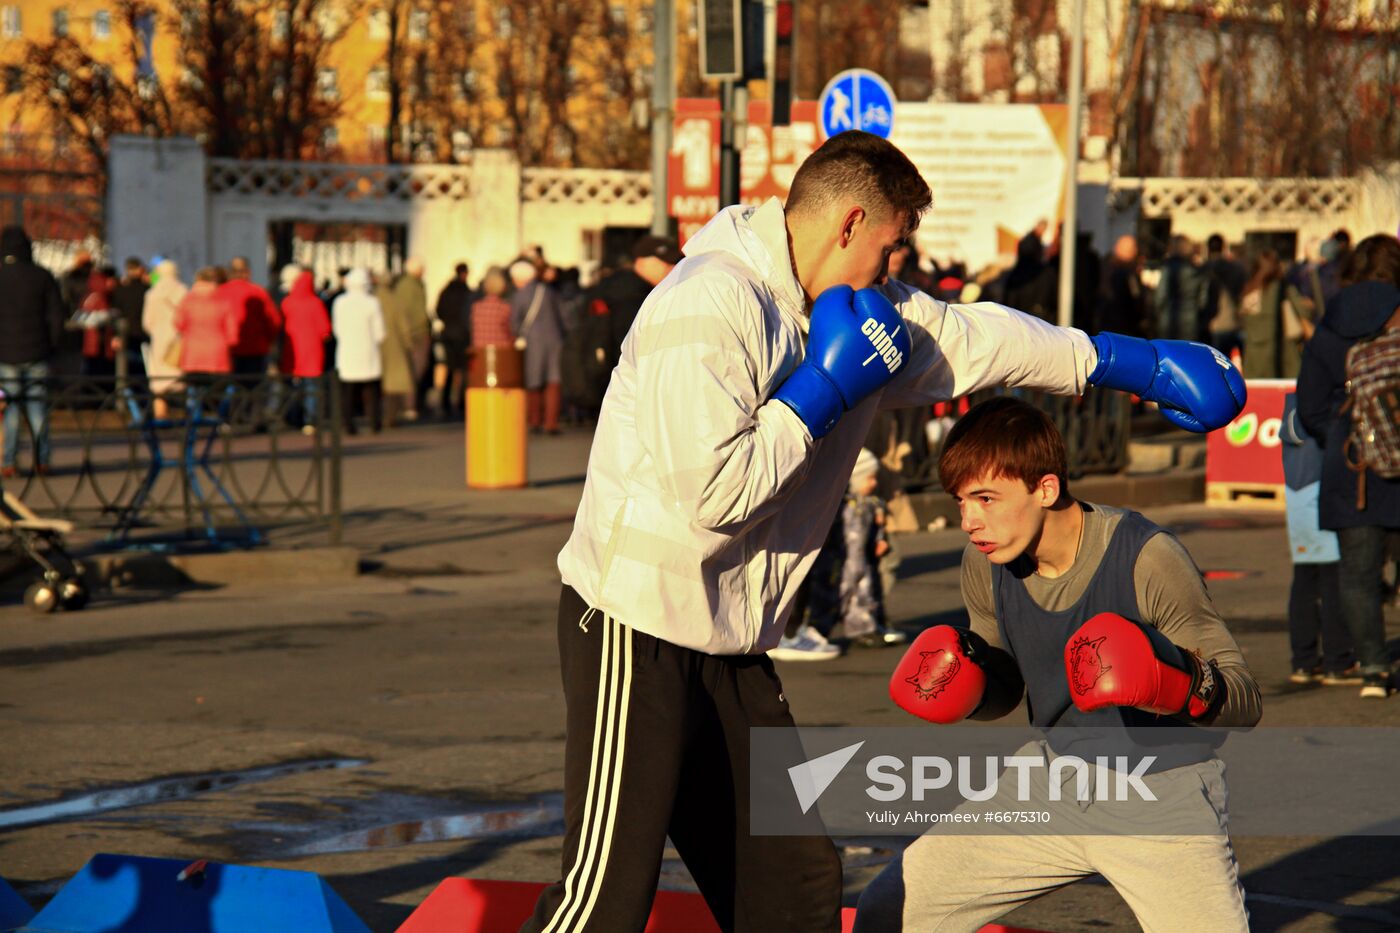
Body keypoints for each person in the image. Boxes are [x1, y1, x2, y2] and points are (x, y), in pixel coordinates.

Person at [524, 129, 1245, 933]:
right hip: (637, 626)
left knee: (793, 883)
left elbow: (975, 339)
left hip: (727, 645)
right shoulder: (711, 300)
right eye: (894, 246)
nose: (899, 266)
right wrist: (821, 388)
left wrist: (1120, 361)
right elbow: (711, 493)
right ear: (852, 224)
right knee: (602, 899)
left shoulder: (862, 312)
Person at [860, 396, 1262, 933]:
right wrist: (971, 683)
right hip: (1050, 780)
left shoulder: (1146, 555)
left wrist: (1177, 679)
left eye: (985, 498)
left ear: (1045, 488)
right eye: (961, 501)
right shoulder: (987, 562)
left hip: (1158, 793)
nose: (970, 521)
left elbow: (1244, 699)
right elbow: (1005, 692)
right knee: (890, 911)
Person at [1297, 233, 1400, 699]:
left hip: (1352, 464)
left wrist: (1343, 432)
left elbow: (1310, 405)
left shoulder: (1331, 322)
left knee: (1357, 575)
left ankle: (1374, 670)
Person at [1280, 393, 1357, 685]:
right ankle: (1338, 661)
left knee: (1305, 580)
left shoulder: (1293, 409)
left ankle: (1304, 661)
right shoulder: (1327, 406)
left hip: (1297, 500)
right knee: (1332, 580)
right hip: (1323, 498)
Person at [0, 225, 65, 479]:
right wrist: (51, 346)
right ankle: (42, 459)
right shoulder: (42, 277)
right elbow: (56, 316)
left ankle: (8, 462)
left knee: (11, 410)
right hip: (37, 351)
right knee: (37, 408)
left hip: (5, 355)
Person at [509, 258, 567, 434]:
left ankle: (534, 420)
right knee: (553, 381)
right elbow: (562, 315)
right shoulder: (548, 290)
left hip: (532, 342)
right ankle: (551, 422)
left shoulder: (519, 295)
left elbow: (514, 322)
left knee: (533, 381)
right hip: (555, 339)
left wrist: (519, 335)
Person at [279, 265, 332, 433]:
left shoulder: (287, 302)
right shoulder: (315, 303)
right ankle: (310, 419)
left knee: (294, 385)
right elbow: (325, 329)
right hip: (312, 349)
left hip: (293, 348)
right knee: (311, 386)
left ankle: (293, 416)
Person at [333, 268, 386, 435]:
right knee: (371, 389)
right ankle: (374, 422)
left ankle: (348, 424)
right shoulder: (372, 302)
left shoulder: (340, 302)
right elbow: (380, 331)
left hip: (347, 351)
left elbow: (337, 329)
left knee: (347, 391)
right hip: (368, 350)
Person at [174, 267, 240, 388]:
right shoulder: (223, 300)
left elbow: (178, 324)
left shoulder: (188, 300)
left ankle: (199, 407)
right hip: (217, 355)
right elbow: (232, 334)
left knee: (195, 391)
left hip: (192, 354)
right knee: (216, 393)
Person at [221, 256, 282, 380]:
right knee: (253, 389)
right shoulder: (258, 292)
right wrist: (268, 341)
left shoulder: (220, 293)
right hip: (256, 350)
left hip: (227, 351)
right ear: (247, 272)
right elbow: (273, 321)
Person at [142, 259, 189, 417]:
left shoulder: (152, 294)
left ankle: (160, 415)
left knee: (159, 381)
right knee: (180, 377)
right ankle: (183, 415)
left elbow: (147, 323)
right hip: (179, 340)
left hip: (159, 339)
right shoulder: (183, 291)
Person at [436, 262, 474, 419]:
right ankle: (461, 403)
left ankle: (445, 402)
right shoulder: (467, 293)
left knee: (450, 369)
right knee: (464, 371)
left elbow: (439, 311)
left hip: (449, 334)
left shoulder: (446, 291)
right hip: (462, 335)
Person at [1240, 249, 1286, 378]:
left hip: (1252, 346)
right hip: (1274, 348)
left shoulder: (1250, 287)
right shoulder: (1279, 287)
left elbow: (1242, 314)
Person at [1153, 234, 1207, 342]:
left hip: (1169, 319)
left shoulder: (1168, 269)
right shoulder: (1198, 271)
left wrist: (1156, 314)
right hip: (1191, 321)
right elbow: (1203, 301)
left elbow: (1160, 296)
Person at [1202, 233, 1246, 357]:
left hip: (1211, 325)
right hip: (1232, 322)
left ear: (1208, 248)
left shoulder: (1202, 270)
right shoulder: (1237, 269)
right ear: (1223, 247)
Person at [1097, 234, 1146, 337]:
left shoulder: (1103, 266)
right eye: (1133, 249)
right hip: (1124, 329)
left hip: (1105, 326)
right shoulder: (1129, 273)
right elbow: (1137, 300)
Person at [111, 257, 150, 379]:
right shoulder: (146, 290)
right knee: (144, 372)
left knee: (127, 372)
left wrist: (115, 335)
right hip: (143, 335)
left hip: (126, 335)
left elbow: (116, 312)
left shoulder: (121, 290)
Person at [470, 267, 514, 349]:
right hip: (501, 353)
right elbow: (512, 332)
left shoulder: (476, 307)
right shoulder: (505, 308)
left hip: (481, 354)